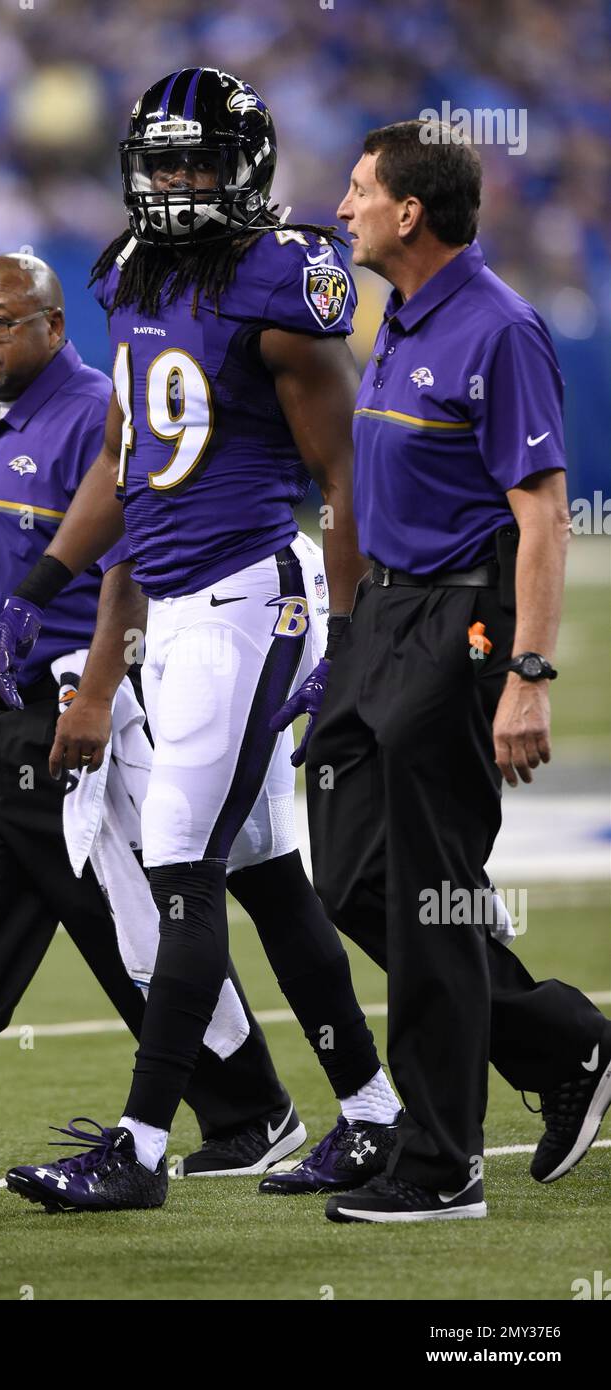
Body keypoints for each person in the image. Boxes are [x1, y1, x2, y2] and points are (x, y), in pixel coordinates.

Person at [0, 252, 315, 1189]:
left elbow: (130, 556)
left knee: (138, 932)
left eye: (0, 321)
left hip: (69, 720)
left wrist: (93, 693)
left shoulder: (90, 410)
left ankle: (251, 1108)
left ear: (54, 324)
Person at [0, 68, 402, 1216]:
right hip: (175, 607)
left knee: (179, 864)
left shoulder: (278, 283)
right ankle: (370, 1113)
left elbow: (342, 473)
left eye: (195, 162)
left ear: (244, 169)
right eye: (159, 162)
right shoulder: (129, 275)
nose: (173, 182)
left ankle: (139, 1146)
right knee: (267, 871)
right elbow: (131, 468)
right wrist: (47, 581)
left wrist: (355, 632)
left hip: (247, 598)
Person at [296, 121, 610, 1223]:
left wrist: (525, 672)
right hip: (381, 618)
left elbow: (542, 516)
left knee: (432, 897)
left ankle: (441, 1165)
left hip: (459, 624)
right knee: (346, 877)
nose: (341, 207)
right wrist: (339, 635)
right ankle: (564, 1041)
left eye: (357, 189)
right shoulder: (401, 312)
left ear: (408, 213)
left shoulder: (500, 328)